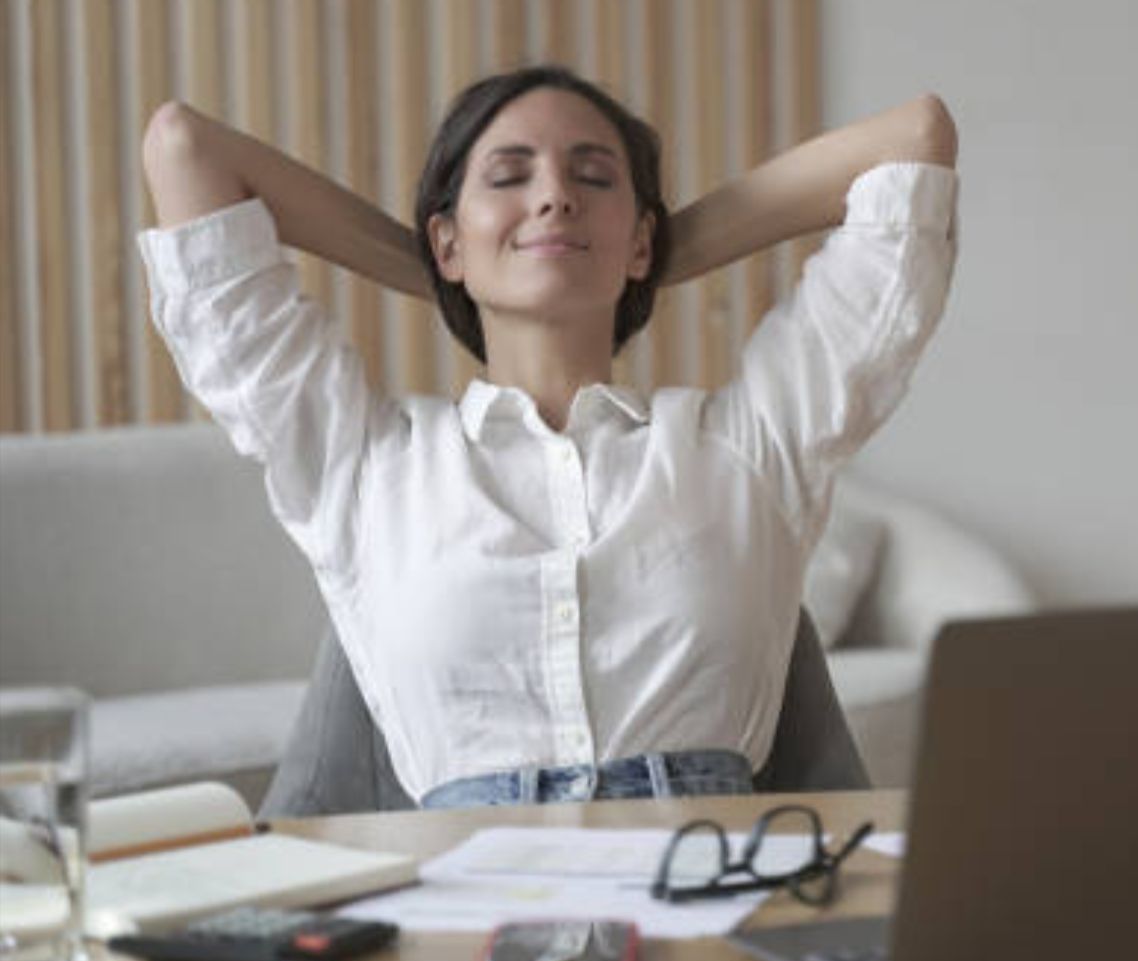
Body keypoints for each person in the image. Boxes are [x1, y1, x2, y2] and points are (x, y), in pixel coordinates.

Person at [137, 65, 958, 809]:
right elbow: (185, 149)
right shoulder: (367, 464)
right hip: (462, 887)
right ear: (445, 241)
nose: (556, 195)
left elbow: (915, 139)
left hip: (708, 873)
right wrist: (452, 268)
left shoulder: (750, 444)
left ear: (643, 238)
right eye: (509, 177)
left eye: (593, 177)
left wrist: (622, 255)